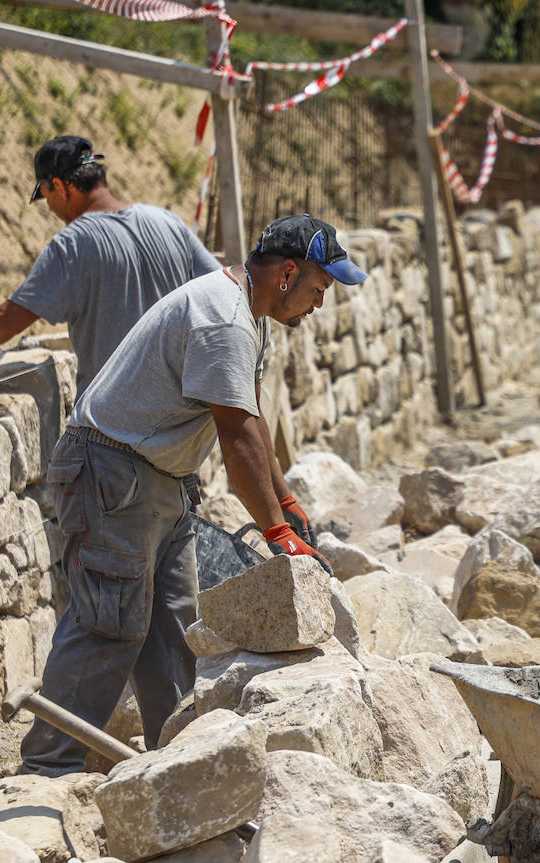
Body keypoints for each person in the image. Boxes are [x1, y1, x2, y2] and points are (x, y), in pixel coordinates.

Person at [20, 214, 364, 776]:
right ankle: (45, 768)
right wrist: (276, 530)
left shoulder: (252, 319)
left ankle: (177, 759)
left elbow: (252, 421)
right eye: (318, 290)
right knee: (108, 624)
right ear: (287, 274)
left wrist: (288, 501)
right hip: (111, 473)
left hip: (157, 480)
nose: (319, 305)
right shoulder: (223, 318)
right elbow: (233, 436)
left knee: (176, 630)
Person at [0, 135, 220, 399]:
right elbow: (225, 289)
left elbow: (4, 324)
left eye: (47, 195)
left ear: (60, 186)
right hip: (179, 415)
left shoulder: (73, 245)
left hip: (114, 425)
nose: (50, 207)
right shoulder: (167, 222)